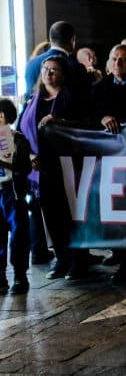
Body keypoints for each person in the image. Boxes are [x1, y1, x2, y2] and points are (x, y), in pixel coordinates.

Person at [18, 56, 83, 279]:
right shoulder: (32, 99)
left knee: (72, 214)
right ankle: (62, 259)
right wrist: (28, 155)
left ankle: (78, 261)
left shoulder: (71, 98)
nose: (49, 73)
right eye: (45, 69)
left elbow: (83, 126)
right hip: (41, 165)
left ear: (63, 75)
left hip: (67, 163)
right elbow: (20, 132)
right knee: (51, 215)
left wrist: (59, 122)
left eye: (54, 70)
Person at [0, 99, 31, 294]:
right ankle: (1, 276)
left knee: (19, 235)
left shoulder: (18, 139)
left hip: (13, 192)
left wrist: (5, 163)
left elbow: (24, 168)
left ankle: (20, 276)